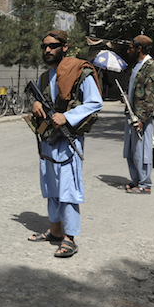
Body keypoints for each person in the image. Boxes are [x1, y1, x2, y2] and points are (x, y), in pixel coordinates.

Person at [27, 30, 103, 258]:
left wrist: (67, 117)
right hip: (48, 139)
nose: (47, 50)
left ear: (65, 47)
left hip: (69, 139)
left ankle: (70, 238)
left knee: (68, 188)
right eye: (44, 47)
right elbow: (41, 100)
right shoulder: (44, 77)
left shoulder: (81, 71)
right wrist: (35, 105)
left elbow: (95, 102)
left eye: (52, 45)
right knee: (50, 185)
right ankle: (55, 230)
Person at [122, 35, 154, 194]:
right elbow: (136, 92)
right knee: (131, 150)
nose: (128, 50)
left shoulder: (152, 68)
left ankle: (145, 184)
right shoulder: (137, 67)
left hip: (141, 118)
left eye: (131, 47)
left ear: (139, 48)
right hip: (131, 116)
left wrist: (142, 119)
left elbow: (152, 98)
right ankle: (136, 180)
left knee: (142, 151)